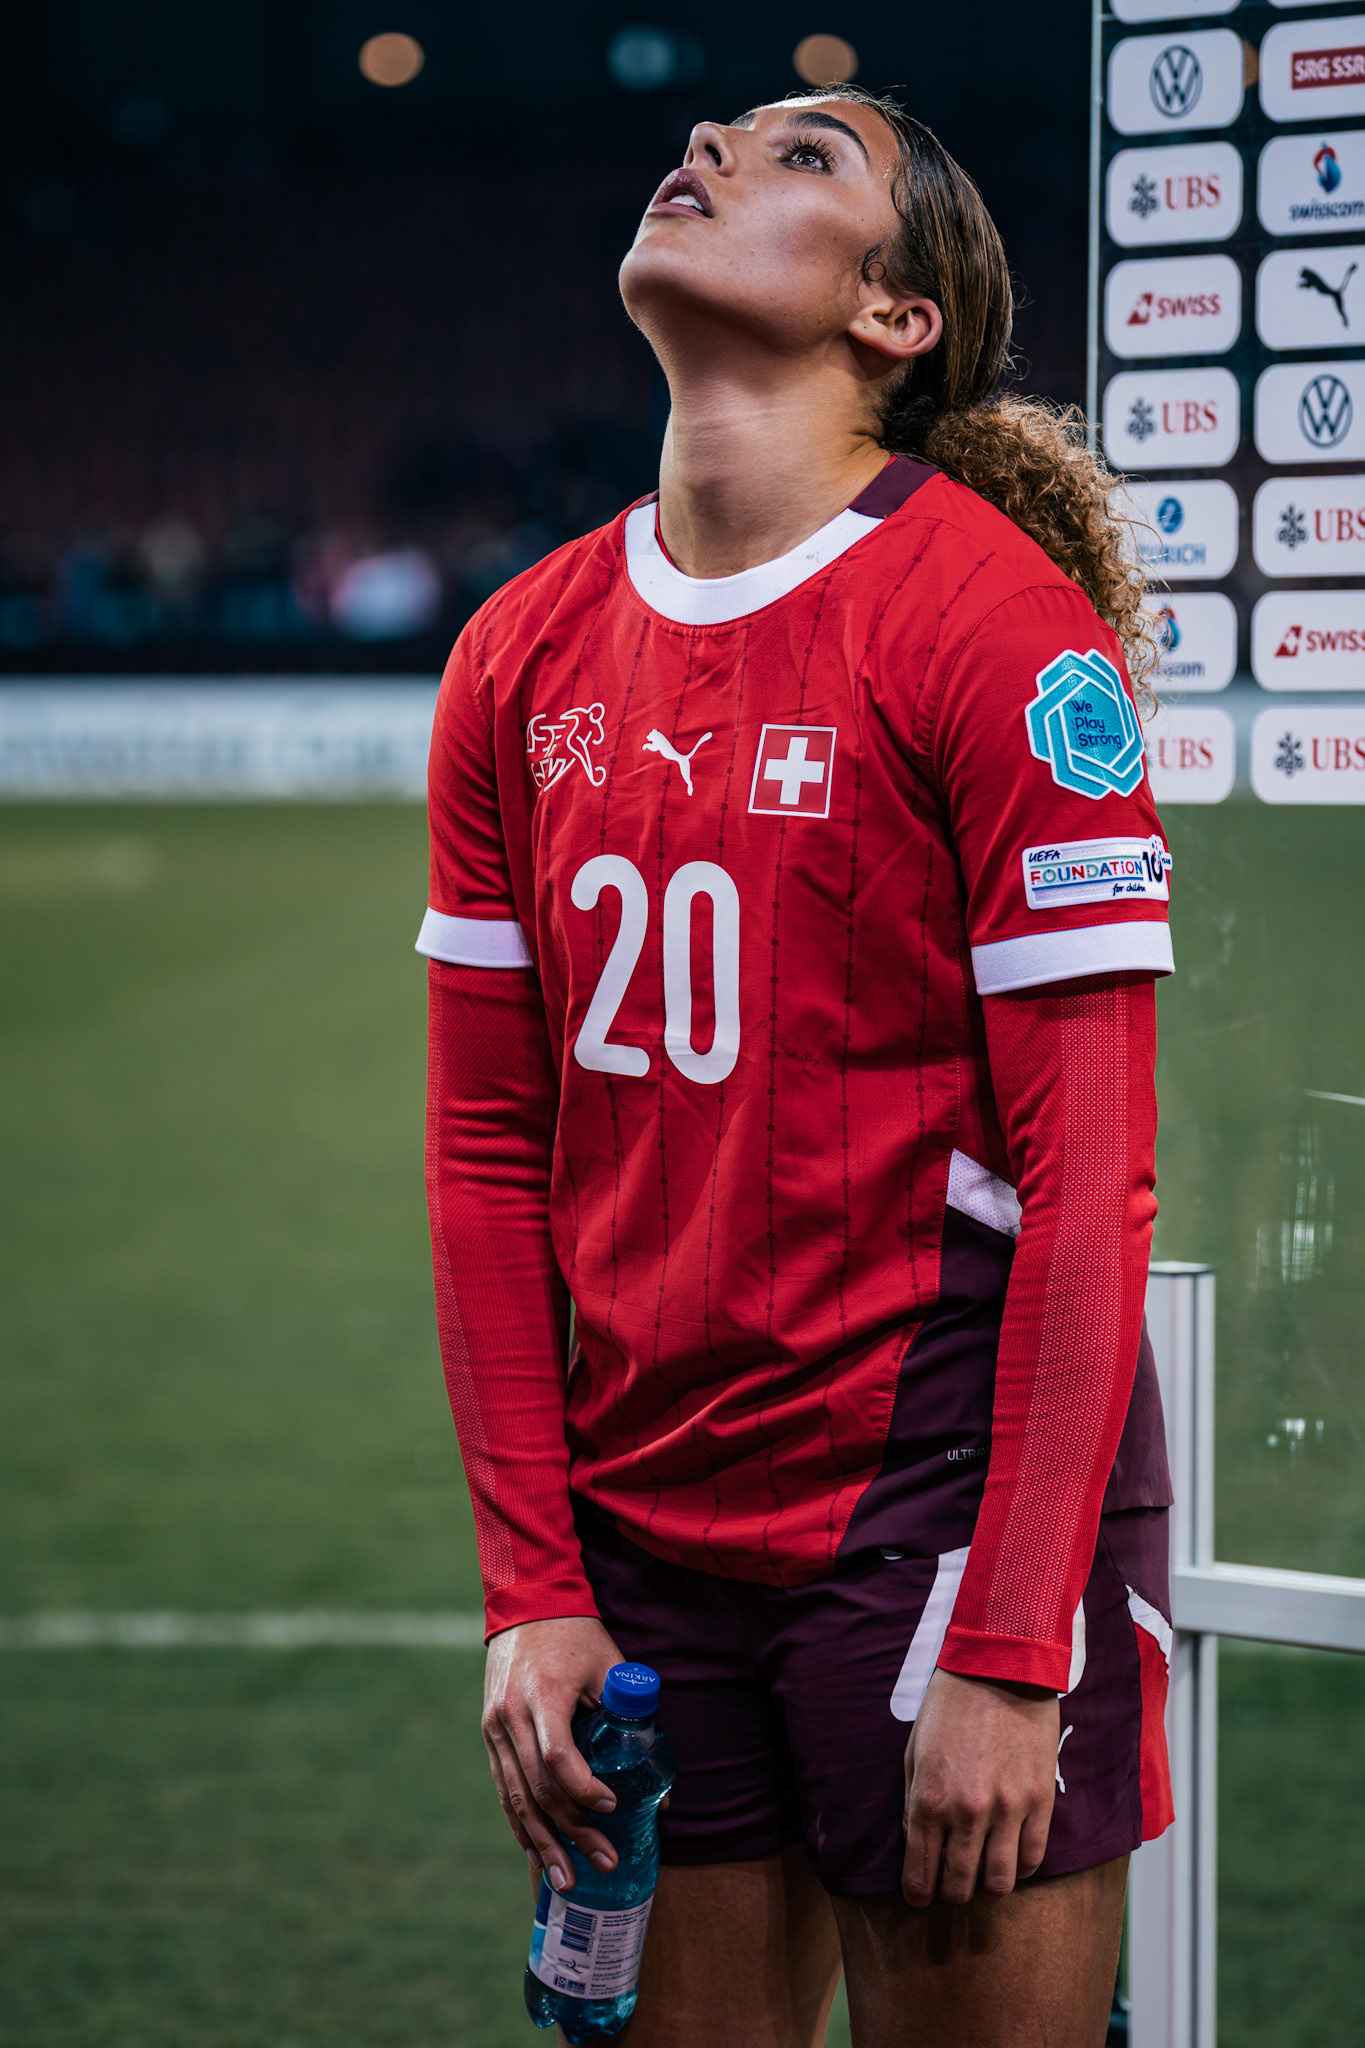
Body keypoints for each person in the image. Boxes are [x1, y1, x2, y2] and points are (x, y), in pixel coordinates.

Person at [420, 85, 1175, 2048]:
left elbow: (1088, 1182)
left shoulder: (997, 637)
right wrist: (530, 1586)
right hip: (644, 1531)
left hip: (933, 1512)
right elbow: (488, 1156)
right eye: (722, 130)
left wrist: (1014, 1649)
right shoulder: (514, 652)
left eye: (799, 152)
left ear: (890, 316)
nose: (709, 138)